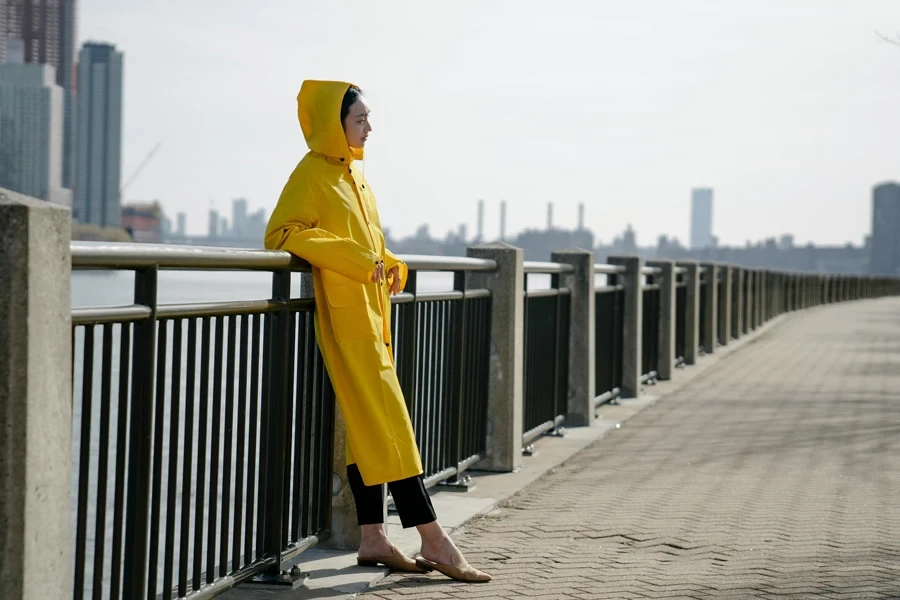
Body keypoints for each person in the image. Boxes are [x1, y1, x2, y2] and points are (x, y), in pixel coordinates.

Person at [264, 80, 491, 584]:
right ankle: (436, 541)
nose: (370, 127)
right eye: (360, 119)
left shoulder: (355, 178)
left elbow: (363, 240)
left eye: (367, 118)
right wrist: (356, 260)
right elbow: (284, 233)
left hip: (372, 317)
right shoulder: (312, 176)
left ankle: (373, 538)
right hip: (347, 321)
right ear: (334, 124)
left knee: (368, 432)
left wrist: (386, 260)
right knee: (391, 427)